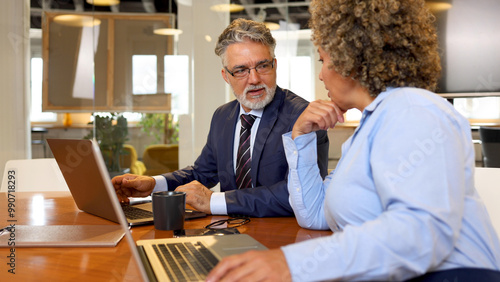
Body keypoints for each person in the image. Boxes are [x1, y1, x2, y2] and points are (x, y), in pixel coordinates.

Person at [207, 0, 500, 281]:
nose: (320, 75)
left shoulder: (414, 109)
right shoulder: (370, 129)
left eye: (322, 60)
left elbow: (420, 236)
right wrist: (301, 138)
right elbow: (315, 215)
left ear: (351, 58)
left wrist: (291, 263)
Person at [112, 18, 329, 217]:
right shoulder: (223, 115)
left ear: (275, 64)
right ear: (226, 76)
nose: (254, 79)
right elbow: (203, 172)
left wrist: (213, 201)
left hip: (281, 239)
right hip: (229, 233)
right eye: (241, 70)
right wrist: (154, 184)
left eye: (262, 66)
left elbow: (300, 194)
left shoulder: (303, 117)